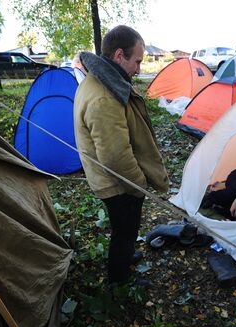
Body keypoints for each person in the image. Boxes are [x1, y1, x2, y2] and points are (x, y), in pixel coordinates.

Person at [73, 25, 169, 286]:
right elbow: (115, 157)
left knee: (125, 230)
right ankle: (120, 279)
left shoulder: (102, 80)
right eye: (136, 61)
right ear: (119, 55)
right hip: (117, 185)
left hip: (115, 180)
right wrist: (139, 185)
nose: (139, 68)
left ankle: (126, 255)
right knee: (124, 231)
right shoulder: (104, 97)